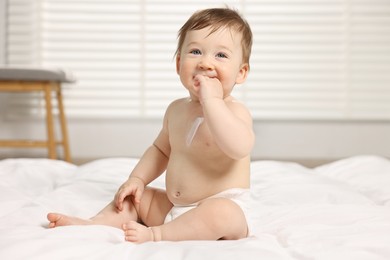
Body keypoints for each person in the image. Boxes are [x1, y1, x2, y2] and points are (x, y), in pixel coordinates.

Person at [47, 7, 255, 243]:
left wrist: (213, 101)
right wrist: (137, 179)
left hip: (222, 211)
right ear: (178, 64)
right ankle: (93, 223)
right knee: (136, 198)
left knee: (221, 213)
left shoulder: (235, 111)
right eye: (195, 51)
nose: (206, 63)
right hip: (175, 208)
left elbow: (239, 147)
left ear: (241, 73)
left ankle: (158, 234)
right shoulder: (176, 110)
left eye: (221, 55)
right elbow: (160, 150)